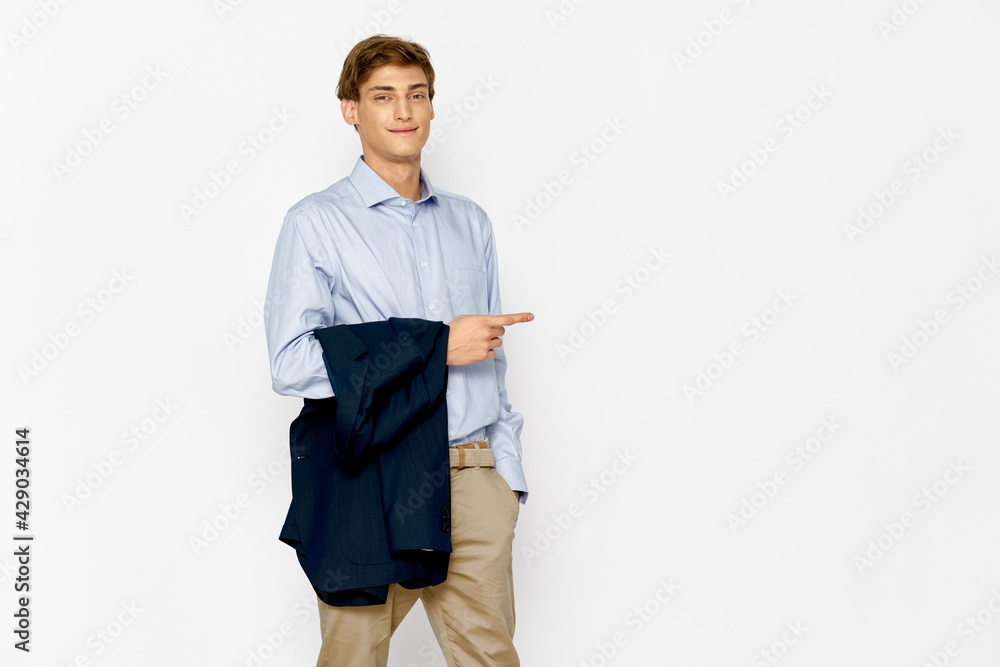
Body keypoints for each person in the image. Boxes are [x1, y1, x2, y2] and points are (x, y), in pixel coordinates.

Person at [263, 33, 533, 666]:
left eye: (417, 95)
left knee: (489, 658)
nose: (403, 110)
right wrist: (434, 346)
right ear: (351, 110)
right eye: (383, 96)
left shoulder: (470, 221)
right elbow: (291, 363)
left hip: (472, 478)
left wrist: (506, 476)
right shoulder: (315, 223)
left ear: (433, 107)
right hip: (370, 479)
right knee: (354, 656)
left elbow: (492, 359)